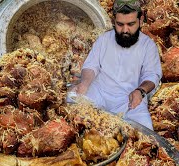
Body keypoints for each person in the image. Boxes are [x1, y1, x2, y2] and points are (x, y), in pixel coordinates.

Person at [69, 0, 162, 130]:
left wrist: (140, 91)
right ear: (113, 21)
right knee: (70, 101)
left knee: (146, 132)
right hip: (99, 94)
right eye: (120, 24)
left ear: (140, 20)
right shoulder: (104, 39)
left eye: (131, 24)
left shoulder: (148, 46)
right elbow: (91, 66)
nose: (125, 30)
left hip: (129, 101)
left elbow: (152, 75)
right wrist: (84, 83)